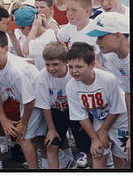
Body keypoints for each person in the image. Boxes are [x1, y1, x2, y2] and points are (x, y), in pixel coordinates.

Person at [0, 30, 48, 169]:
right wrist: (2, 119)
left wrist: (23, 123)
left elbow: (30, 100)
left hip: (37, 99)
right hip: (24, 99)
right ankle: (48, 164)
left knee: (22, 137)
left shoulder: (17, 71)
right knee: (38, 138)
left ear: (6, 49)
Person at [66, 42, 129, 169]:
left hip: (119, 118)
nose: (74, 71)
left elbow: (116, 109)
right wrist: (94, 138)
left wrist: (104, 130)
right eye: (70, 67)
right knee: (98, 153)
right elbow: (81, 116)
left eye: (79, 66)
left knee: (124, 154)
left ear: (92, 65)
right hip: (100, 119)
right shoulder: (71, 86)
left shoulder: (108, 79)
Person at [35, 41, 91, 169]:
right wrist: (51, 129)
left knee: (86, 147)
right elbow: (45, 105)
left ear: (65, 62)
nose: (51, 68)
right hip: (56, 112)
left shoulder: (73, 75)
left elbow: (84, 96)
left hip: (76, 112)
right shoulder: (43, 76)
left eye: (55, 64)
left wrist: (85, 120)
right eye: (47, 64)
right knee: (51, 145)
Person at [85, 11, 130, 163]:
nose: (97, 42)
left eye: (101, 37)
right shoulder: (113, 57)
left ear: (118, 36)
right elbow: (128, 94)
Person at [56, 0, 105, 70]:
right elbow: (58, 36)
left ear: (87, 11)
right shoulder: (70, 26)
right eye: (68, 9)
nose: (69, 13)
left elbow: (95, 62)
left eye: (74, 10)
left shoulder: (93, 31)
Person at [15, 5, 57, 71]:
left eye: (20, 29)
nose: (20, 31)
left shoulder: (47, 37)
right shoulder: (32, 35)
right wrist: (11, 35)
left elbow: (25, 51)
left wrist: (34, 28)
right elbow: (22, 53)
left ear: (27, 28)